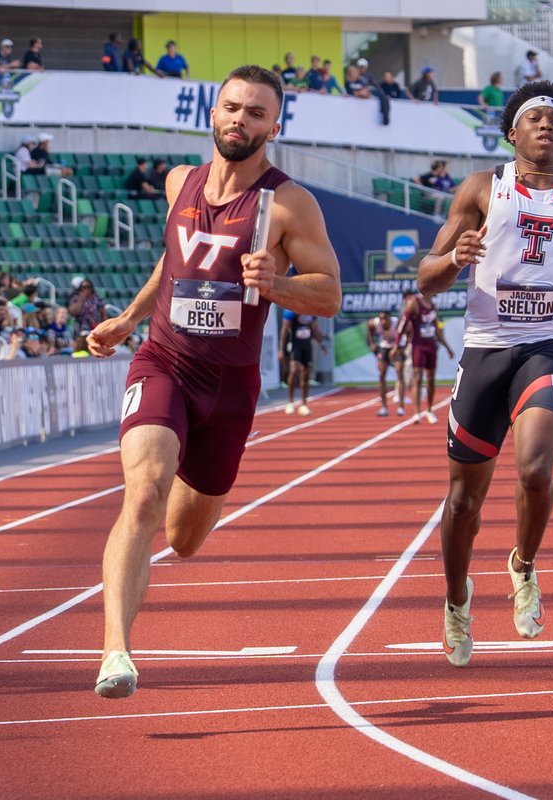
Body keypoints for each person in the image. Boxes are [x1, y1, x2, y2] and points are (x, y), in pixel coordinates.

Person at [84, 65, 340, 697]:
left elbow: (330, 294)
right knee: (142, 494)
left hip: (230, 387)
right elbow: (172, 264)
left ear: (274, 126)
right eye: (232, 107)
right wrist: (127, 320)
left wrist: (275, 284)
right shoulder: (180, 182)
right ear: (212, 113)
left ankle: (163, 533)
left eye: (256, 113)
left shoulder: (288, 204)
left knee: (184, 538)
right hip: (165, 361)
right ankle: (116, 651)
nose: (240, 120)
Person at [416, 80, 553, 668]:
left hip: (547, 346)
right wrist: (455, 258)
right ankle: (456, 601)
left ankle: (523, 565)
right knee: (464, 501)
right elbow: (425, 280)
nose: (547, 125)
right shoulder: (482, 190)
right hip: (485, 350)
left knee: (534, 467)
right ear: (513, 133)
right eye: (535, 118)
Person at [402, 291, 455, 423]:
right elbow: (403, 324)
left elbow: (437, 329)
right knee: (418, 377)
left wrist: (448, 347)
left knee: (431, 379)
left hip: (431, 345)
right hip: (418, 345)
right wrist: (398, 344)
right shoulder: (414, 303)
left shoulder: (433, 306)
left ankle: (430, 410)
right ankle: (416, 412)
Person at [280, 310, 326, 415]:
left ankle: (304, 404)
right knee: (294, 370)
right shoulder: (291, 311)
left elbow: (314, 330)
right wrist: (281, 350)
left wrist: (321, 345)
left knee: (305, 375)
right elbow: (284, 330)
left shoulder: (312, 312)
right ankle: (290, 402)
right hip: (295, 345)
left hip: (306, 345)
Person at [367, 307, 406, 417]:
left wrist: (401, 347)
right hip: (384, 346)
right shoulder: (375, 323)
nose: (383, 321)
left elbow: (407, 331)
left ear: (389, 317)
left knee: (399, 373)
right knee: (382, 375)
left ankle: (401, 407)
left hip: (397, 346)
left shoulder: (396, 322)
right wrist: (371, 343)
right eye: (381, 319)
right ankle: (384, 407)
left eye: (385, 318)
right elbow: (369, 327)